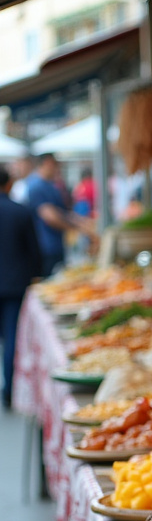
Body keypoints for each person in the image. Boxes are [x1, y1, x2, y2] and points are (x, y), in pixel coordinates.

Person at [0, 165, 43, 409]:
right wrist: (36, 276)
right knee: (12, 338)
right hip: (15, 284)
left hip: (12, 283)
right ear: (9, 185)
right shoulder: (21, 212)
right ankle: (9, 390)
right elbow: (34, 252)